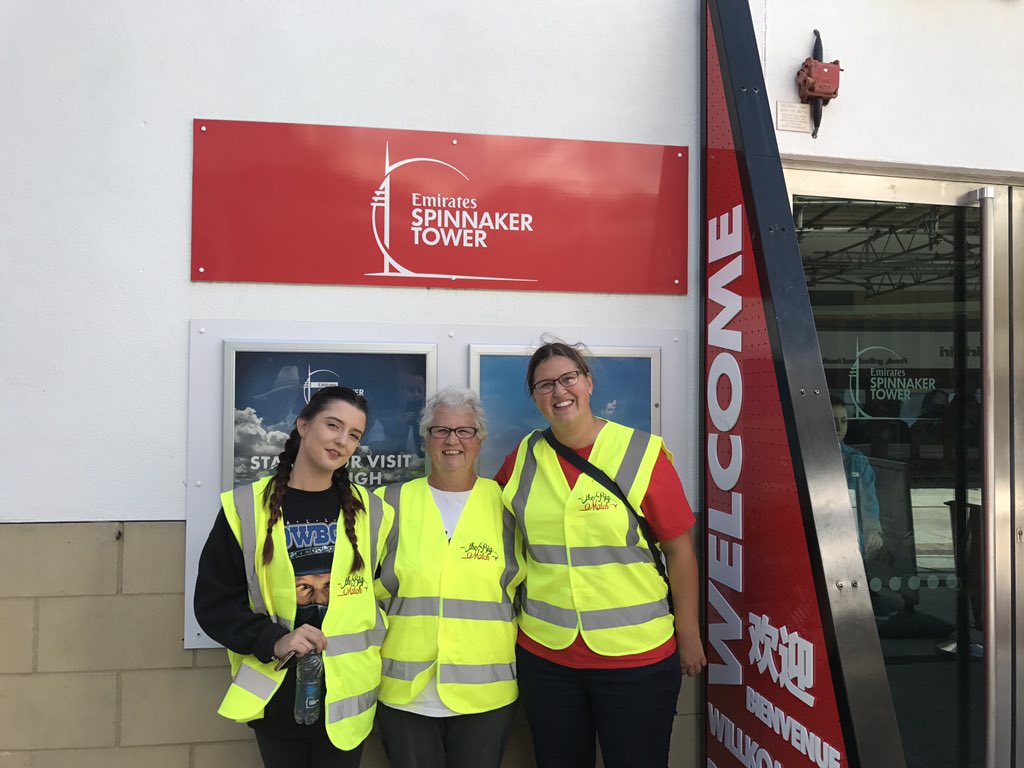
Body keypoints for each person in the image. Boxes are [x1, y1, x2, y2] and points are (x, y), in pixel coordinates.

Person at [495, 340, 705, 768]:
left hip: (637, 659)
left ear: (588, 383)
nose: (559, 391)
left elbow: (681, 552)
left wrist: (690, 634)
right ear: (535, 398)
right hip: (547, 660)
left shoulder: (641, 453)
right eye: (545, 384)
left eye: (568, 378)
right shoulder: (521, 460)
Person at [195, 386, 392, 768]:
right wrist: (275, 639)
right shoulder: (246, 508)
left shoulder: (374, 512)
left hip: (347, 695)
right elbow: (214, 603)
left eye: (354, 434)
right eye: (332, 425)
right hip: (277, 694)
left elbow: (382, 595)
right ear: (303, 425)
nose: (342, 440)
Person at [374, 386, 525, 768]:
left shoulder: (508, 505)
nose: (452, 440)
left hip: (486, 695)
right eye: (441, 430)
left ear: (480, 440)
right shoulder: (388, 503)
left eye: (464, 431)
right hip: (404, 693)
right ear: (426, 439)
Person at [831, 395, 885, 560]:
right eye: (833, 421)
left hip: (851, 541)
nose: (840, 427)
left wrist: (872, 531)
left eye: (844, 421)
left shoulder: (857, 461)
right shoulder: (808, 459)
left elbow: (869, 502)